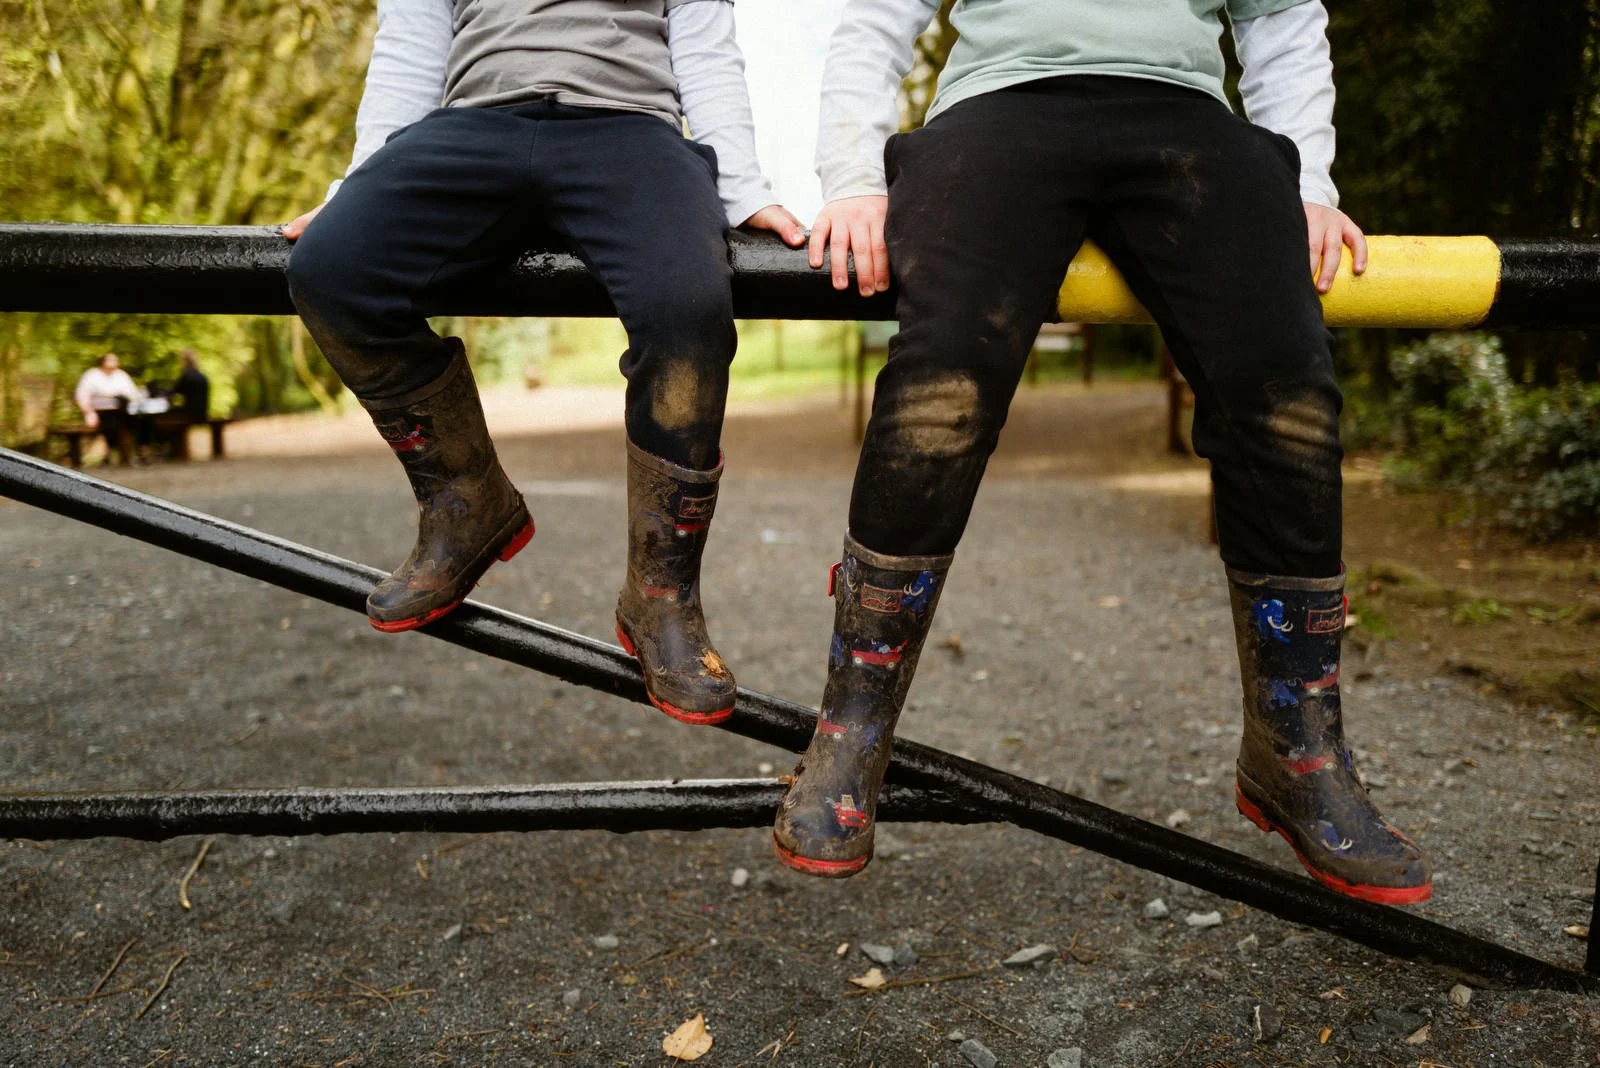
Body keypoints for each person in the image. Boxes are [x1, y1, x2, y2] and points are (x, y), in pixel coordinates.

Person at [772, 0, 1433, 905]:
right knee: (941, 388)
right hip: (999, 110)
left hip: (1186, 116)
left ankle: (1297, 752)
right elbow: (878, 15)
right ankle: (851, 730)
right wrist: (851, 175)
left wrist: (1310, 184)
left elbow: (1280, 16)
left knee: (1288, 397)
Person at [283, 0, 804, 725]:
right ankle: (466, 501)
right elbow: (411, 38)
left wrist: (742, 188)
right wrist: (359, 188)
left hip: (630, 131)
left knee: (689, 309)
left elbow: (707, 45)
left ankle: (661, 594)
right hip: (469, 127)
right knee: (331, 271)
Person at [73, 353, 141, 466]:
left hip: (122, 411)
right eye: (110, 360)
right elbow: (81, 396)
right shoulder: (91, 376)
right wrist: (88, 413)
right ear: (102, 362)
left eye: (115, 360)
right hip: (99, 411)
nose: (114, 363)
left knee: (138, 421)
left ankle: (133, 453)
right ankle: (112, 452)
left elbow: (134, 395)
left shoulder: (121, 376)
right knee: (110, 423)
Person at [168, 350, 210, 423]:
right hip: (202, 413)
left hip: (189, 414)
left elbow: (172, 393)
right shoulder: (203, 377)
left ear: (185, 361)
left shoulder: (186, 376)